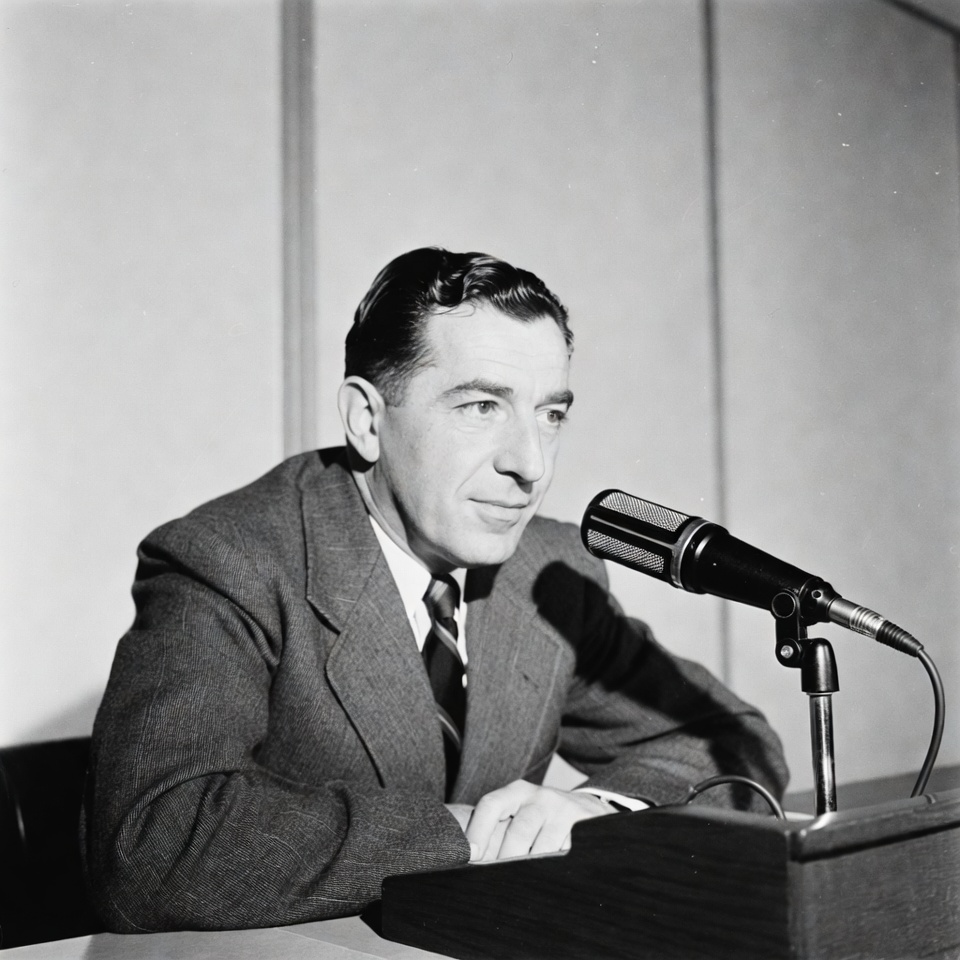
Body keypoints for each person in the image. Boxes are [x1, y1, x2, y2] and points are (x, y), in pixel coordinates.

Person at [82, 247, 788, 932]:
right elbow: (151, 844)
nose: (531, 464)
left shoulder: (548, 569)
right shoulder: (231, 560)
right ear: (367, 420)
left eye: (550, 414)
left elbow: (734, 742)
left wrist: (600, 811)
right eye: (481, 407)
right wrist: (473, 833)